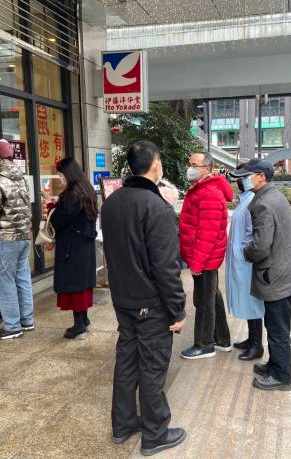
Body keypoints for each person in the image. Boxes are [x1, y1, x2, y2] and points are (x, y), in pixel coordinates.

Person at [101, 141, 187, 456]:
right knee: (152, 366)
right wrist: (177, 309)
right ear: (155, 164)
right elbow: (166, 268)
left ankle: (123, 424)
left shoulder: (111, 202)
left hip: (123, 299)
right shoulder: (156, 207)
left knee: (126, 361)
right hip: (150, 304)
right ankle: (155, 434)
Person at [230, 158, 291, 391]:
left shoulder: (262, 203)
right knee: (276, 327)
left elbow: (260, 246)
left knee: (278, 330)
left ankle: (282, 377)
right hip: (284, 273)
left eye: (246, 176)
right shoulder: (274, 195)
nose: (242, 181)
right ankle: (274, 364)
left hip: (276, 276)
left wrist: (244, 251)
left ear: (260, 176)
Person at [179, 151, 233, 359]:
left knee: (204, 301)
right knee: (212, 297)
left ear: (207, 169)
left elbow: (207, 234)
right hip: (203, 257)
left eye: (195, 164)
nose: (190, 168)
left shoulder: (209, 193)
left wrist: (197, 263)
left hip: (204, 258)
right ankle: (222, 339)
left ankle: (204, 344)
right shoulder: (202, 189)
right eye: (190, 163)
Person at [0, 139, 34, 340]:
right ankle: (26, 321)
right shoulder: (19, 176)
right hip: (23, 236)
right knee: (22, 279)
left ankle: (12, 327)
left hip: (5, 238)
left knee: (4, 283)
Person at [46, 158, 97, 340]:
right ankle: (83, 320)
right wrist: (59, 200)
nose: (60, 179)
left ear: (68, 174)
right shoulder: (86, 189)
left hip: (72, 247)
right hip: (83, 246)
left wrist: (52, 207)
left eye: (61, 175)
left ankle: (79, 325)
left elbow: (60, 219)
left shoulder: (72, 194)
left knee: (75, 285)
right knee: (82, 285)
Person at [226, 164, 265, 361]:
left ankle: (257, 344)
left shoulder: (254, 201)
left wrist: (244, 252)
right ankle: (252, 339)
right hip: (240, 260)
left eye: (242, 178)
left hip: (248, 261)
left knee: (253, 303)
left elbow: (254, 235)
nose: (238, 182)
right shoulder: (246, 199)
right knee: (247, 301)